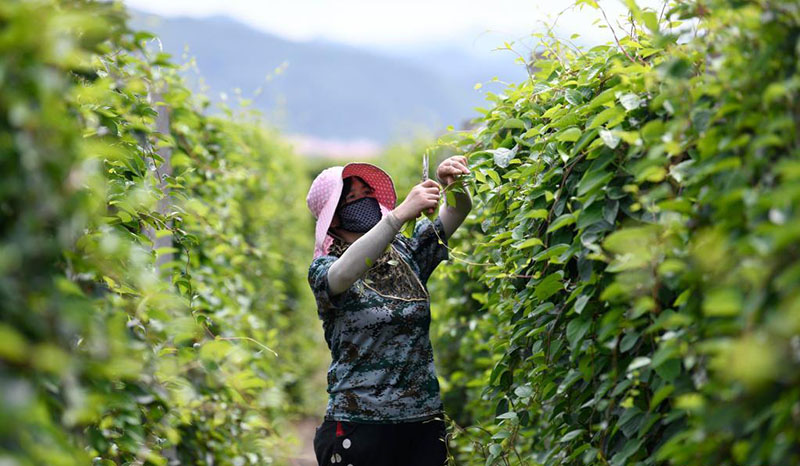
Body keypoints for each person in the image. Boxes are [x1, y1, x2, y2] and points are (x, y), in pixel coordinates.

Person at [305, 156, 472, 466]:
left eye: (367, 194)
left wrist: (455, 184)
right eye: (353, 198)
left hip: (423, 424)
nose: (365, 201)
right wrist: (397, 217)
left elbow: (457, 210)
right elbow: (343, 273)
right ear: (335, 218)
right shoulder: (324, 269)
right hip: (359, 425)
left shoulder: (408, 254)